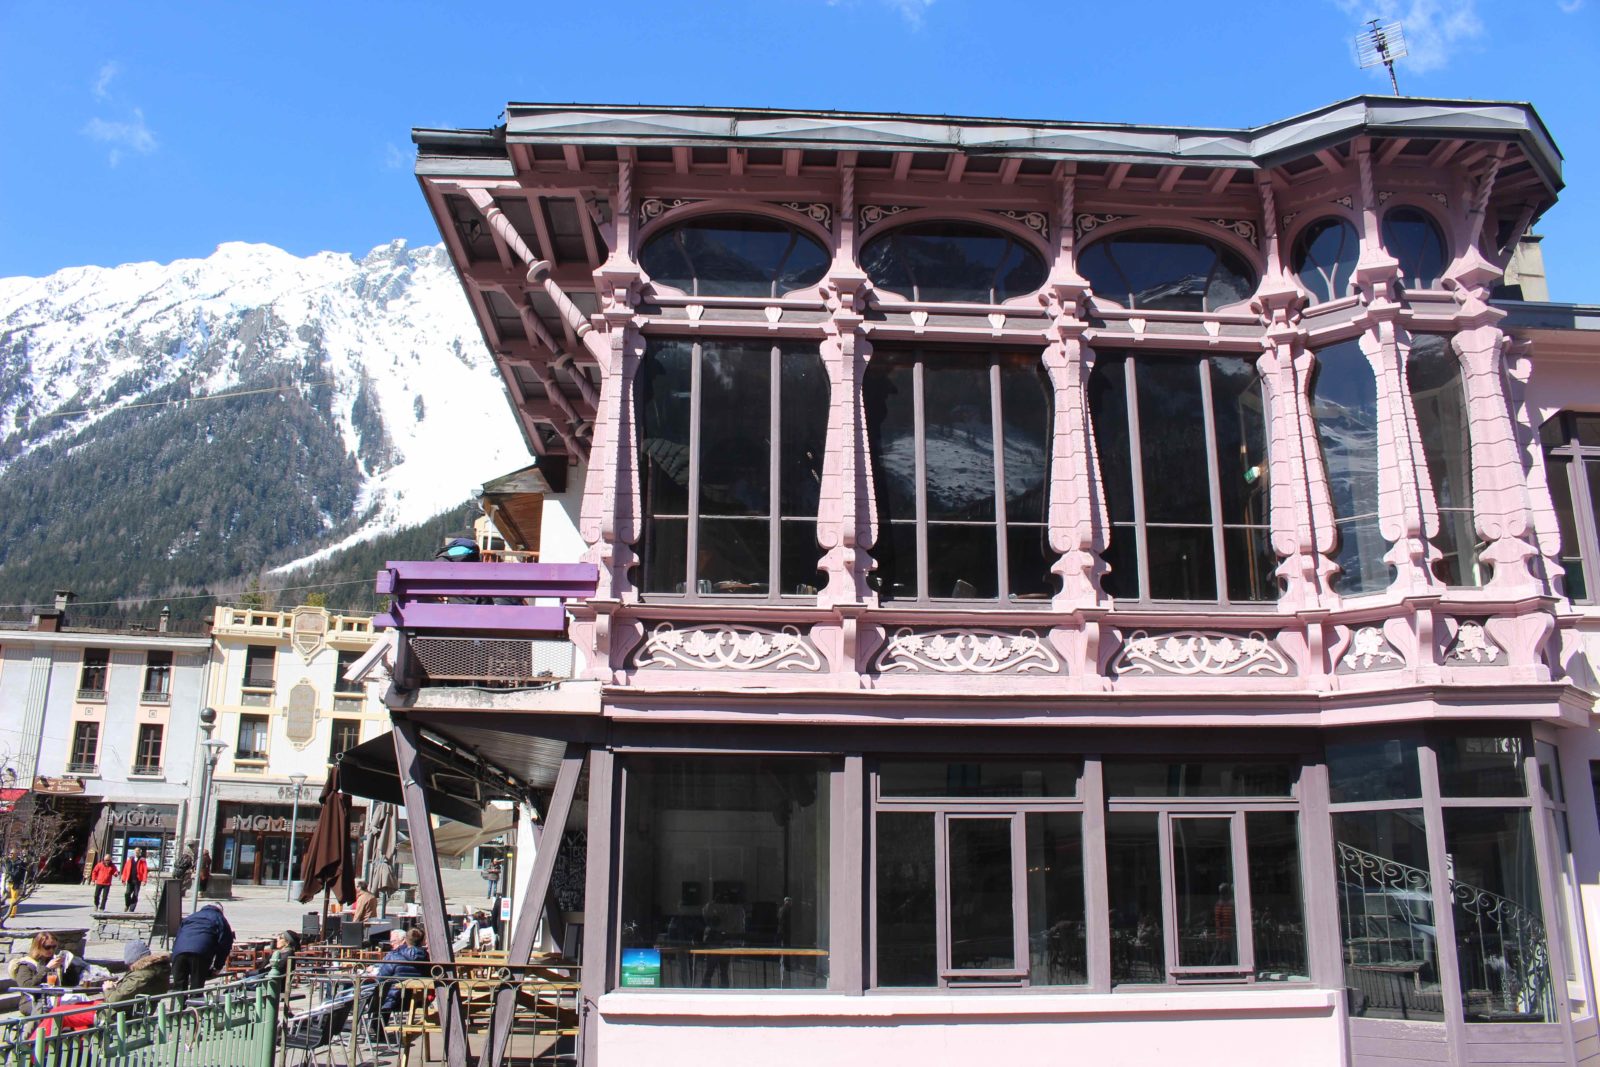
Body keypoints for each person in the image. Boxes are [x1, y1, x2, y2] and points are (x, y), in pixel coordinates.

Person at [362, 928, 428, 1033]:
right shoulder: (426, 957)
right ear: (422, 941)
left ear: (405, 940)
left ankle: (375, 1030)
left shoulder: (395, 956)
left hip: (392, 999)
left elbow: (381, 977)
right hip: (416, 999)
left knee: (373, 994)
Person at [169, 901, 234, 992]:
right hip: (200, 954)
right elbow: (224, 945)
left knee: (178, 988)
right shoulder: (220, 919)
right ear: (220, 911)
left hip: (179, 953)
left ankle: (177, 1005)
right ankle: (194, 1004)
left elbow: (178, 938)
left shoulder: (190, 917)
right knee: (196, 987)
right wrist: (217, 967)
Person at [102, 939, 170, 1006]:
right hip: (138, 1009)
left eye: (129, 964)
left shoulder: (141, 975)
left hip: (123, 1014)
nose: (129, 966)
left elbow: (114, 1000)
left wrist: (108, 988)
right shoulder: (155, 969)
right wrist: (119, 985)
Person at [255, 930, 300, 999]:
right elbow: (263, 969)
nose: (277, 939)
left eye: (281, 937)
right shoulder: (279, 953)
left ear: (287, 942)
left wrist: (250, 974)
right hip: (266, 982)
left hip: (273, 986)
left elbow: (269, 971)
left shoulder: (286, 955)